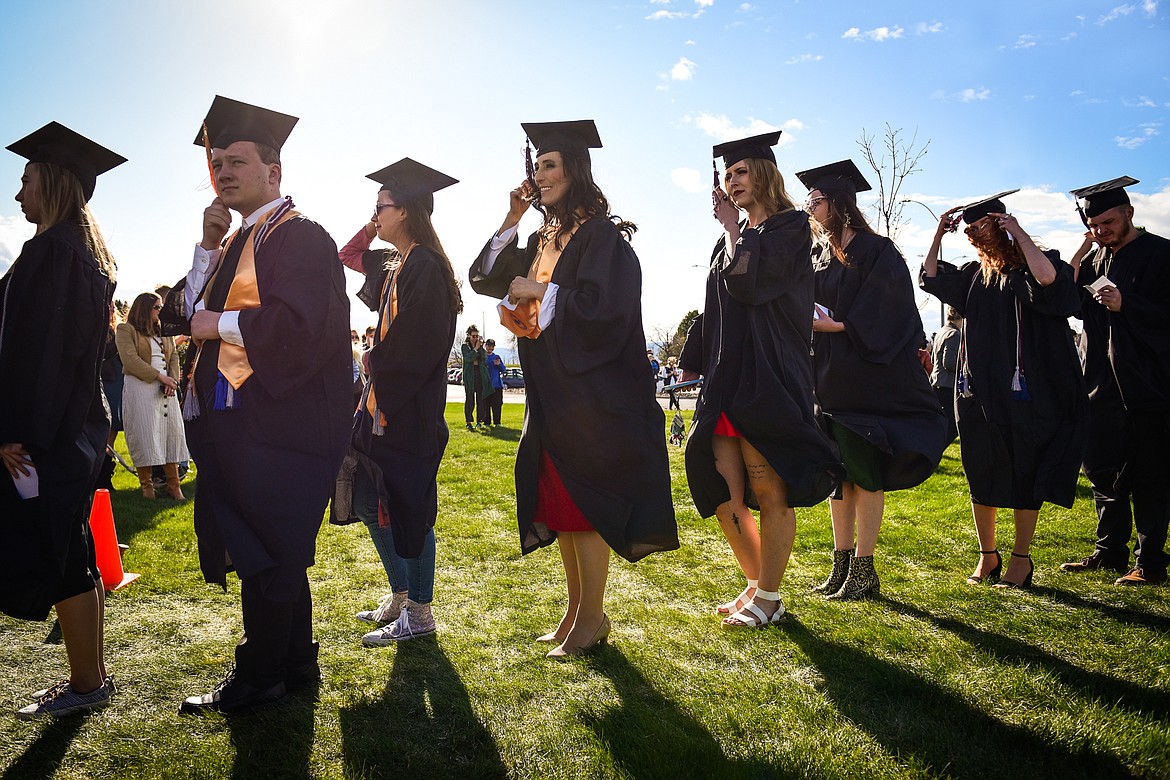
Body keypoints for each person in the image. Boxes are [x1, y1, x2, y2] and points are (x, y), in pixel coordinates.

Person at [163, 96, 351, 714]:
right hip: (242, 426)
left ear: (274, 170)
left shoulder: (300, 237)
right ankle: (297, 664)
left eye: (237, 160)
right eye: (216, 163)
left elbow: (301, 330)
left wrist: (222, 323)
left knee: (269, 552)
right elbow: (182, 317)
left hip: (283, 425)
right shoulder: (239, 241)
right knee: (277, 552)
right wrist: (207, 248)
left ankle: (260, 676)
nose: (223, 171)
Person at [470, 119, 677, 657]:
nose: (540, 176)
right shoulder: (542, 237)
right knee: (561, 505)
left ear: (576, 170)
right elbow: (485, 276)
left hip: (593, 397)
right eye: (536, 167)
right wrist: (513, 219)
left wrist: (542, 289)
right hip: (552, 391)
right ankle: (575, 611)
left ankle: (591, 617)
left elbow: (606, 311)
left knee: (584, 507)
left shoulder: (603, 236)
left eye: (550, 166)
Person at [679, 131, 842, 628]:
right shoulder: (728, 239)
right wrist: (694, 359)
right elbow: (716, 307)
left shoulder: (791, 228)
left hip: (769, 374)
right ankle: (755, 585)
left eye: (741, 172)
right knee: (725, 491)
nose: (732, 181)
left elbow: (750, 285)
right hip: (728, 376)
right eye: (727, 175)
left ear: (765, 175)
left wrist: (734, 229)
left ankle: (770, 596)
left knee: (767, 487)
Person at [1, 122, 124, 719]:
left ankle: (85, 685)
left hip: (45, 432)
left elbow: (38, 357)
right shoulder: (85, 253)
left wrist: (10, 431)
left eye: (25, 180)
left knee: (64, 552)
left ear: (50, 180)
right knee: (73, 547)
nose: (17, 193)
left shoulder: (51, 253)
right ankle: (88, 679)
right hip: (76, 429)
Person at [920, 191, 1088, 589]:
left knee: (1024, 469)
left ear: (1000, 222)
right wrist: (937, 235)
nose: (975, 234)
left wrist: (1018, 232)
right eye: (970, 229)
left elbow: (1049, 282)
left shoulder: (1033, 267)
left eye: (982, 226)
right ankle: (987, 555)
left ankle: (1021, 559)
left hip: (1025, 389)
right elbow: (929, 277)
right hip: (977, 389)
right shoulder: (973, 275)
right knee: (980, 467)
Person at [798, 159, 947, 600]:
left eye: (816, 199)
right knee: (837, 478)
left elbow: (893, 309)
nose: (810, 205)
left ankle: (865, 570)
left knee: (864, 475)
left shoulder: (877, 250)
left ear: (838, 203)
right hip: (827, 378)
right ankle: (840, 563)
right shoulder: (818, 254)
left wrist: (840, 327)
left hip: (865, 381)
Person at [336, 158, 461, 643]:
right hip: (376, 408)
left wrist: (372, 360)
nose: (375, 216)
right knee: (369, 499)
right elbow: (348, 254)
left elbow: (417, 343)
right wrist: (371, 224)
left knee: (410, 508)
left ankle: (422, 614)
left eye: (381, 208)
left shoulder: (426, 268)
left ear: (406, 211)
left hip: (407, 411)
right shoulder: (396, 263)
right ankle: (401, 594)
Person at [1061, 177, 1170, 586]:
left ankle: (1151, 562)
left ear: (1129, 213)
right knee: (1102, 471)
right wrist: (1082, 251)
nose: (1101, 230)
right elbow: (1067, 301)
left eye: (1108, 222)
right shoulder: (1096, 259)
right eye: (1095, 225)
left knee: (1150, 475)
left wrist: (1129, 305)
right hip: (1100, 383)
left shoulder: (1161, 254)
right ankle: (1109, 552)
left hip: (1148, 384)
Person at [115, 291, 188, 500]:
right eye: (157, 307)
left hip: (166, 389)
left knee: (170, 435)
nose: (160, 311)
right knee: (144, 434)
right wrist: (159, 378)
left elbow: (173, 356)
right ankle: (147, 487)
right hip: (140, 388)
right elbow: (130, 360)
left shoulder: (164, 330)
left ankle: (174, 486)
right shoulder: (125, 330)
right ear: (145, 308)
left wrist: (172, 381)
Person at [930, 307, 964, 447]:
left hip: (937, 382)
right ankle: (935, 450)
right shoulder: (954, 335)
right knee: (952, 426)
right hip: (948, 386)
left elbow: (933, 359)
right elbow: (949, 362)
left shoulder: (941, 332)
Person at [461, 325, 493, 430]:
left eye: (477, 336)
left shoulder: (480, 347)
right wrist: (475, 350)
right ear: (469, 336)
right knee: (470, 399)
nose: (475, 338)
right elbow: (468, 358)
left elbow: (484, 357)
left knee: (481, 398)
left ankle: (480, 421)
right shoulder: (465, 346)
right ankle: (469, 421)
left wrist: (480, 348)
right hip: (470, 375)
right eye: (473, 336)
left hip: (479, 373)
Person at [484, 338, 506, 426]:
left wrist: (499, 364)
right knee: (486, 405)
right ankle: (487, 422)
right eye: (489, 346)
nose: (490, 348)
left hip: (497, 385)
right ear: (485, 345)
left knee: (497, 404)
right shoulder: (483, 357)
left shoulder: (497, 357)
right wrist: (491, 364)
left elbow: (503, 369)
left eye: (492, 346)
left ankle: (497, 422)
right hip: (486, 385)